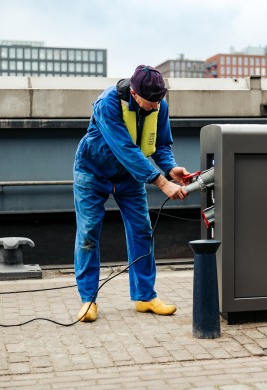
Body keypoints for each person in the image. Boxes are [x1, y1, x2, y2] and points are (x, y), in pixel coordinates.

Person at [73, 65, 190, 322]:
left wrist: (171, 168)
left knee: (142, 231)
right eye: (151, 102)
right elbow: (125, 148)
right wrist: (161, 182)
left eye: (160, 101)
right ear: (135, 94)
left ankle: (145, 297)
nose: (156, 107)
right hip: (92, 173)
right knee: (89, 233)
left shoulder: (159, 105)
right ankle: (88, 300)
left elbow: (160, 144)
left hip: (130, 177)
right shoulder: (107, 104)